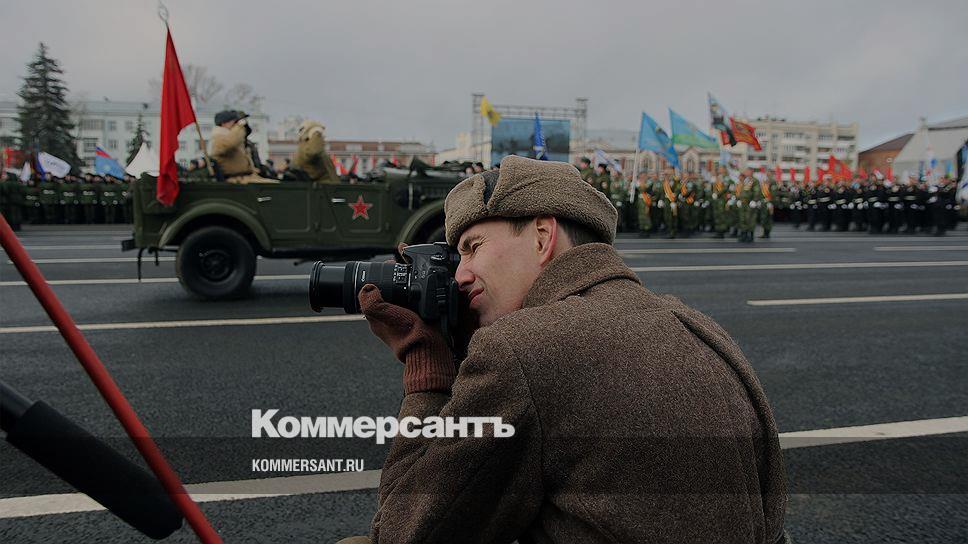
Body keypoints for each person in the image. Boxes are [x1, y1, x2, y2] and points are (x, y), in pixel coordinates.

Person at [346, 155, 788, 543]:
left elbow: (405, 532)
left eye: (473, 248)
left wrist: (427, 366)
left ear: (542, 237)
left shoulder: (522, 348)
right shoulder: (703, 331)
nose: (461, 275)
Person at [209, 110, 278, 184]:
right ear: (224, 123)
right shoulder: (219, 137)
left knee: (276, 185)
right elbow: (230, 144)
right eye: (234, 122)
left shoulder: (232, 137)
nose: (236, 125)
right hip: (235, 180)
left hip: (245, 178)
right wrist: (239, 126)